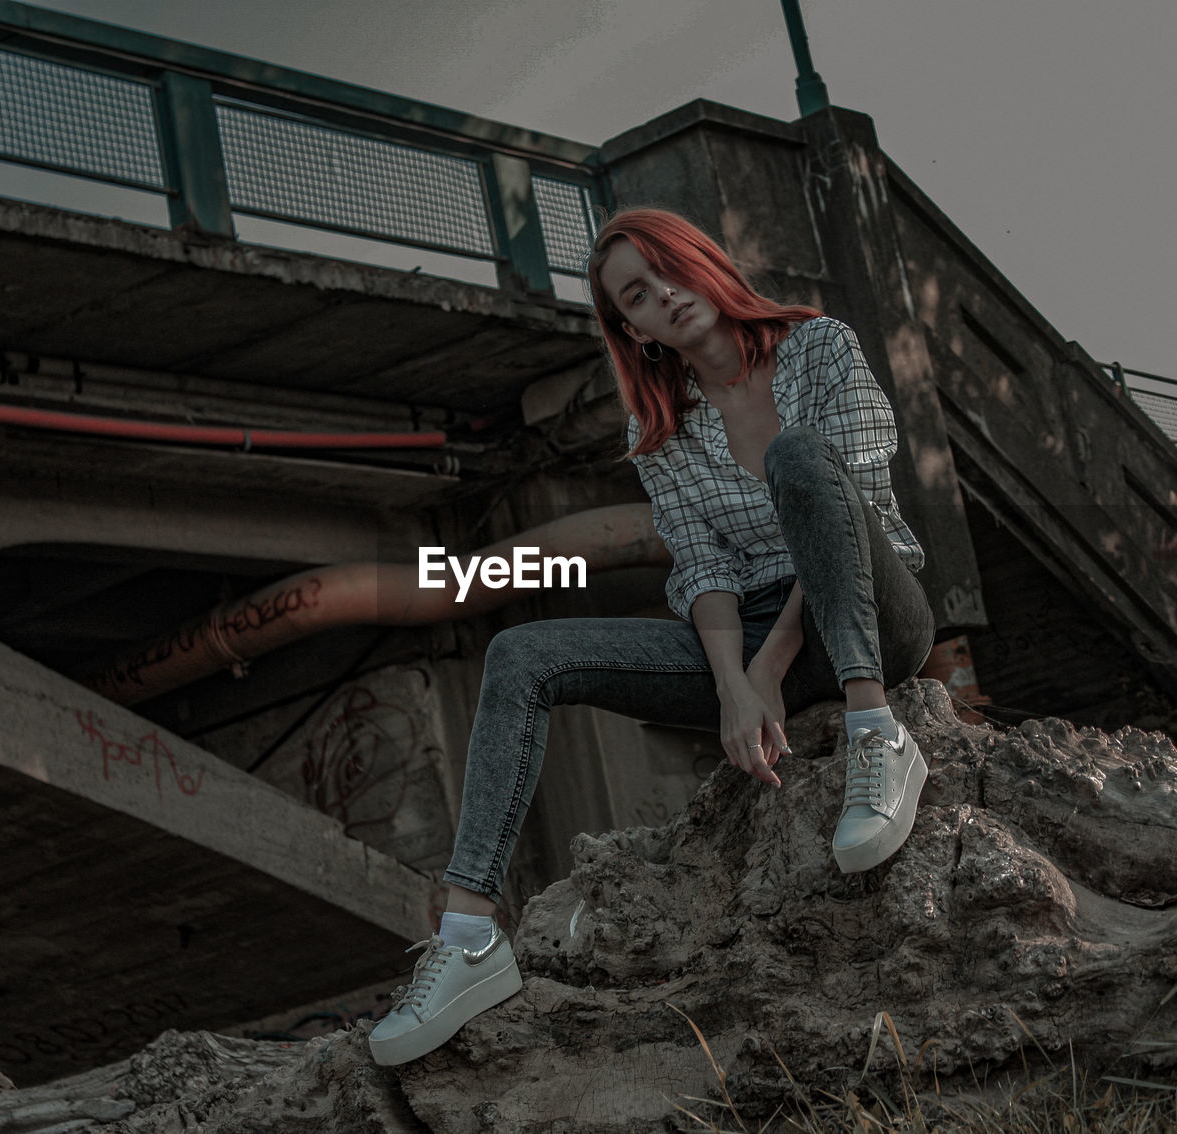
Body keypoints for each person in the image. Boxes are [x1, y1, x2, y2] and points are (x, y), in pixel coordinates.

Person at [368, 207, 935, 1066]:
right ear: (631, 329)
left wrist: (772, 666)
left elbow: (850, 506)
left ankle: (876, 734)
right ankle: (470, 937)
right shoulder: (661, 429)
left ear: (705, 264)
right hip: (745, 635)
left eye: (669, 270)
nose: (664, 295)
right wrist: (735, 684)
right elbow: (702, 574)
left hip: (867, 613)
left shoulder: (820, 347)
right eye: (638, 294)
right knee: (521, 654)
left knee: (797, 461)